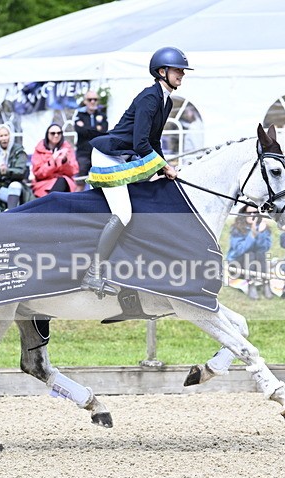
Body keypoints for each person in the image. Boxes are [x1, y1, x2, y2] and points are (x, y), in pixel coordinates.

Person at [83, 46, 190, 297]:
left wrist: (167, 167)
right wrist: (163, 167)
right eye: (177, 70)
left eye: (183, 71)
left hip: (123, 158)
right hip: (108, 157)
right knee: (123, 213)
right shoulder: (149, 98)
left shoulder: (166, 101)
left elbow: (153, 142)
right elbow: (141, 143)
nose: (182, 74)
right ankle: (92, 274)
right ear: (162, 71)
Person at [226, 205, 273, 300]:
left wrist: (261, 233)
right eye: (249, 213)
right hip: (237, 266)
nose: (252, 215)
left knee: (260, 253)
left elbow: (264, 249)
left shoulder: (263, 227)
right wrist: (252, 234)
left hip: (256, 266)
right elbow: (240, 250)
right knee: (250, 253)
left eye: (255, 213)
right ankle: (251, 284)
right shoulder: (237, 228)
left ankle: (266, 283)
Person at [0, 123, 32, 211]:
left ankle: (10, 214)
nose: (4, 138)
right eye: (1, 136)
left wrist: (7, 171)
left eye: (6, 135)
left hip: (16, 186)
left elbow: (21, 171)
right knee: (15, 199)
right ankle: (12, 213)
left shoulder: (18, 150)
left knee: (15, 186)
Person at [30, 123, 79, 198]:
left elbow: (74, 171)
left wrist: (64, 161)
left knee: (63, 180)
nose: (56, 135)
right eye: (53, 133)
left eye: (59, 133)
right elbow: (38, 174)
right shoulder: (39, 150)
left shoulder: (67, 149)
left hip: (65, 184)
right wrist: (52, 161)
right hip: (44, 184)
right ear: (47, 134)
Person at [74, 90, 108, 191]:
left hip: (98, 152)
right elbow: (80, 130)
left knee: (100, 181)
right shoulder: (79, 114)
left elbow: (103, 131)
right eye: (90, 99)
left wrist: (87, 128)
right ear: (85, 101)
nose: (92, 102)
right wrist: (95, 129)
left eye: (95, 99)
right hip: (83, 153)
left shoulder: (102, 115)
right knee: (80, 181)